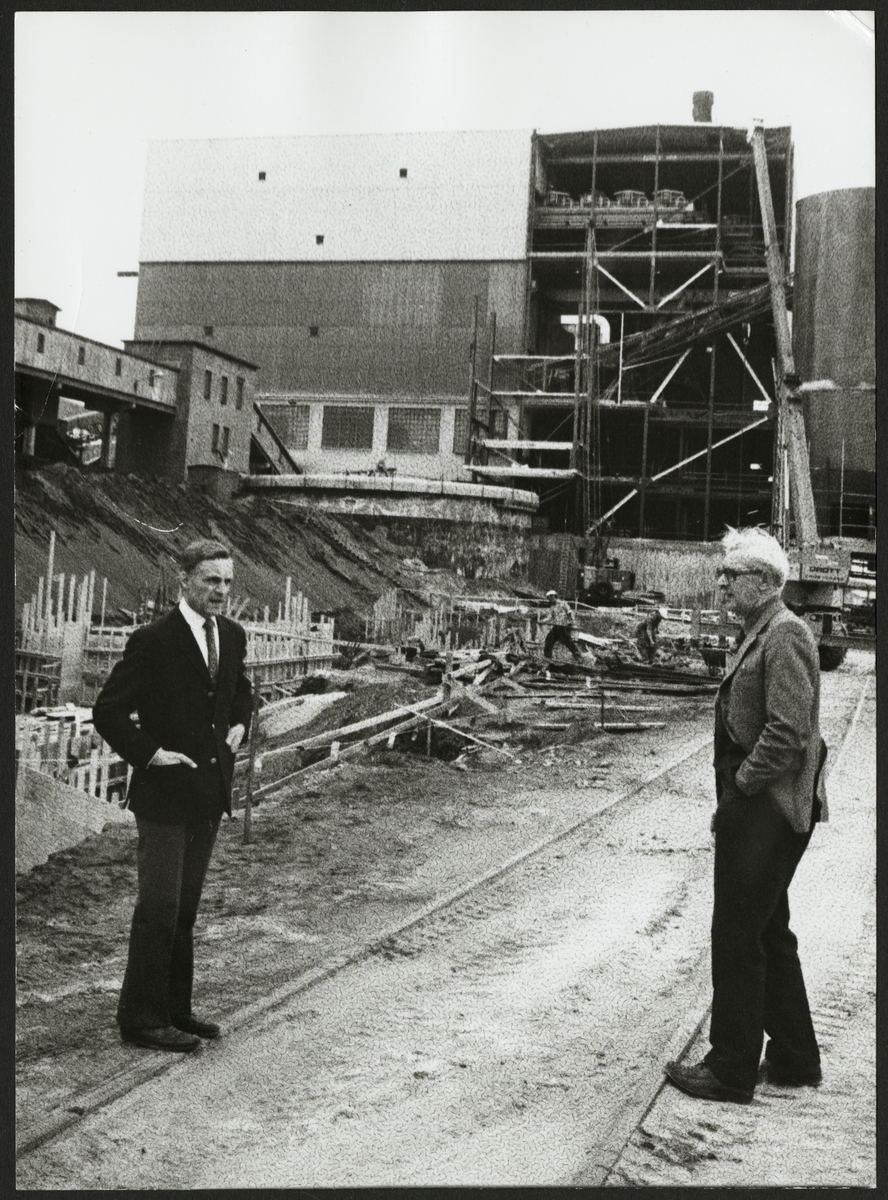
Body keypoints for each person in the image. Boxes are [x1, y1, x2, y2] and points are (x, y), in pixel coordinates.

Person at [664, 527, 828, 1104]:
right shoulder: (760, 630)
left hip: (769, 805)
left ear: (762, 580)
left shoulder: (785, 635)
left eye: (731, 575)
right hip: (758, 804)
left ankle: (732, 1066)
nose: (722, 583)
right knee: (768, 929)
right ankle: (795, 1058)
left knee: (736, 932)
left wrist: (741, 783)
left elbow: (790, 730)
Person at [93, 539, 253, 1052]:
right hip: (163, 795)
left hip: (207, 793)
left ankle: (175, 1010)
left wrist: (239, 726)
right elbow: (108, 711)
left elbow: (240, 689)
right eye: (210, 580)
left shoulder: (231, 634)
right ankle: (141, 1018)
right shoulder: (153, 640)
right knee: (158, 906)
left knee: (184, 909)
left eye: (227, 582)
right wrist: (150, 754)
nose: (220, 591)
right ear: (184, 578)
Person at [541, 590, 583, 663]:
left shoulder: (563, 603)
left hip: (564, 626)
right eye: (548, 599)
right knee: (548, 640)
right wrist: (542, 621)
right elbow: (549, 617)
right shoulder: (552, 607)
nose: (549, 600)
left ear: (554, 596)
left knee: (568, 642)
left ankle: (578, 657)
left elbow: (570, 612)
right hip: (557, 627)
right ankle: (547, 658)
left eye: (550, 598)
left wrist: (573, 622)